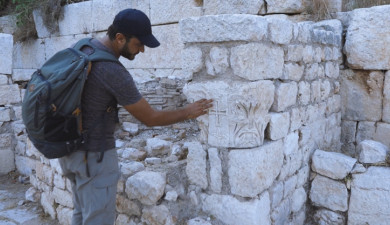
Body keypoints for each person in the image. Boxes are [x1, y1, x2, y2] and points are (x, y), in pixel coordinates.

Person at [58, 8, 212, 225]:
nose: (142, 51)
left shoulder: (84, 46)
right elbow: (150, 118)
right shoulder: (112, 71)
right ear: (120, 38)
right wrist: (189, 111)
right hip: (94, 157)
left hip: (69, 151)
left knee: (81, 213)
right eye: (139, 44)